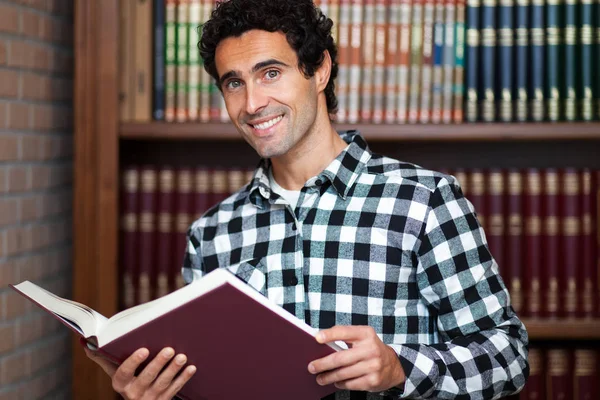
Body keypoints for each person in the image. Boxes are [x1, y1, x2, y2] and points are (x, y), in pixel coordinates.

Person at [86, 0, 529, 398]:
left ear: (319, 70)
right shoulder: (212, 234)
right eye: (234, 83)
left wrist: (399, 368)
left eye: (271, 73)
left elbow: (508, 357)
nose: (253, 102)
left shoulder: (424, 200)